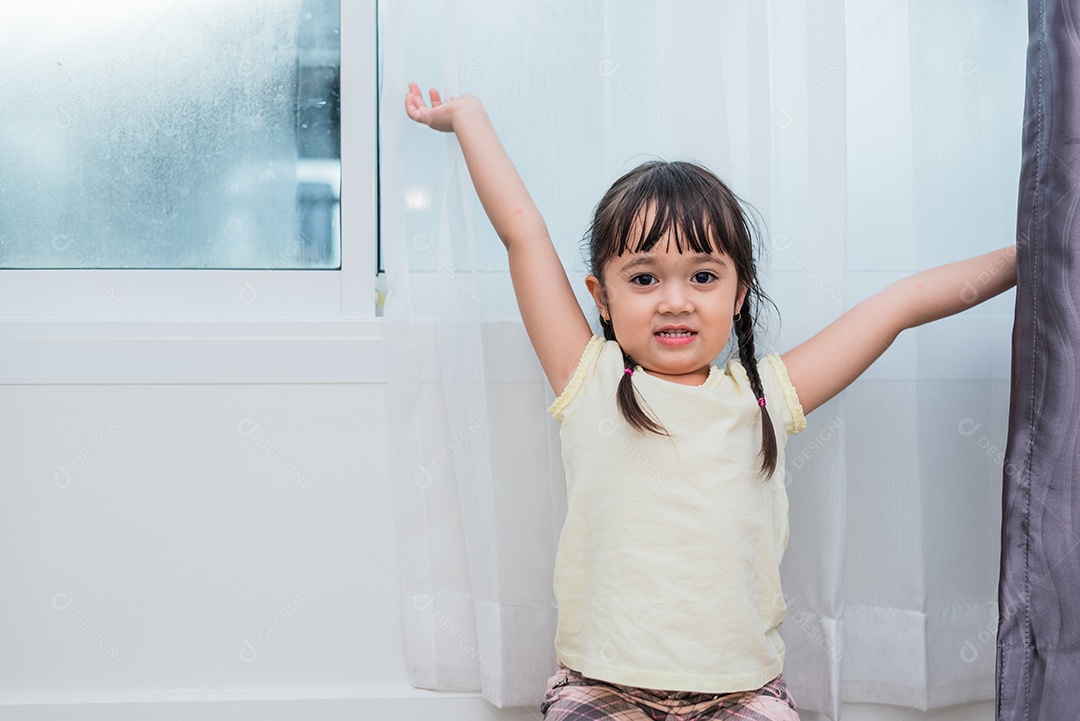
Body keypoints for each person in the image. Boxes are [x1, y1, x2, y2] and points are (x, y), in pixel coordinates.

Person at [405, 83, 1017, 721]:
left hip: (742, 691)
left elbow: (895, 308)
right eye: (644, 278)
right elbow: (522, 233)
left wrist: (1032, 255)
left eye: (703, 276)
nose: (675, 301)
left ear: (738, 292)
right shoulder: (588, 379)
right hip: (603, 684)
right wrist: (468, 118)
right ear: (602, 297)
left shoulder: (764, 396)